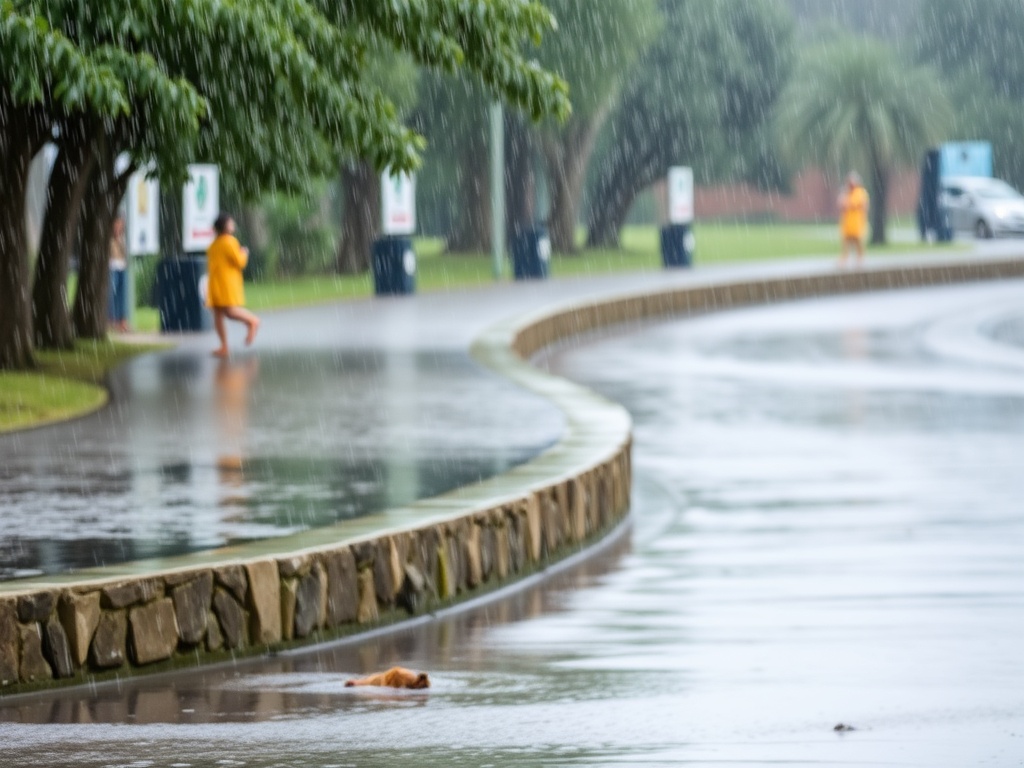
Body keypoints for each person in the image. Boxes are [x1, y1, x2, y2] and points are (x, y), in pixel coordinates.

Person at [206, 213, 260, 358]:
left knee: (224, 312)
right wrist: (244, 253)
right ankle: (225, 345)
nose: (233, 225)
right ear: (224, 226)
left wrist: (241, 254)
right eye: (231, 223)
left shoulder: (215, 243)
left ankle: (251, 321)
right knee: (223, 313)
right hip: (224, 282)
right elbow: (239, 262)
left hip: (218, 282)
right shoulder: (229, 241)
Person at [837, 172, 869, 268]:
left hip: (857, 221)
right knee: (846, 241)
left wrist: (851, 205)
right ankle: (844, 258)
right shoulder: (846, 193)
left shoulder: (861, 193)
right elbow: (841, 204)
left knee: (858, 241)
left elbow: (862, 205)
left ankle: (860, 258)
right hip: (847, 222)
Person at [108, 215, 129, 332]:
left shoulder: (122, 239)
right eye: (117, 224)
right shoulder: (110, 240)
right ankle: (112, 320)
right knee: (112, 294)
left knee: (122, 295)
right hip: (112, 267)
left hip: (121, 267)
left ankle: (122, 321)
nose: (119, 227)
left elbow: (123, 253)